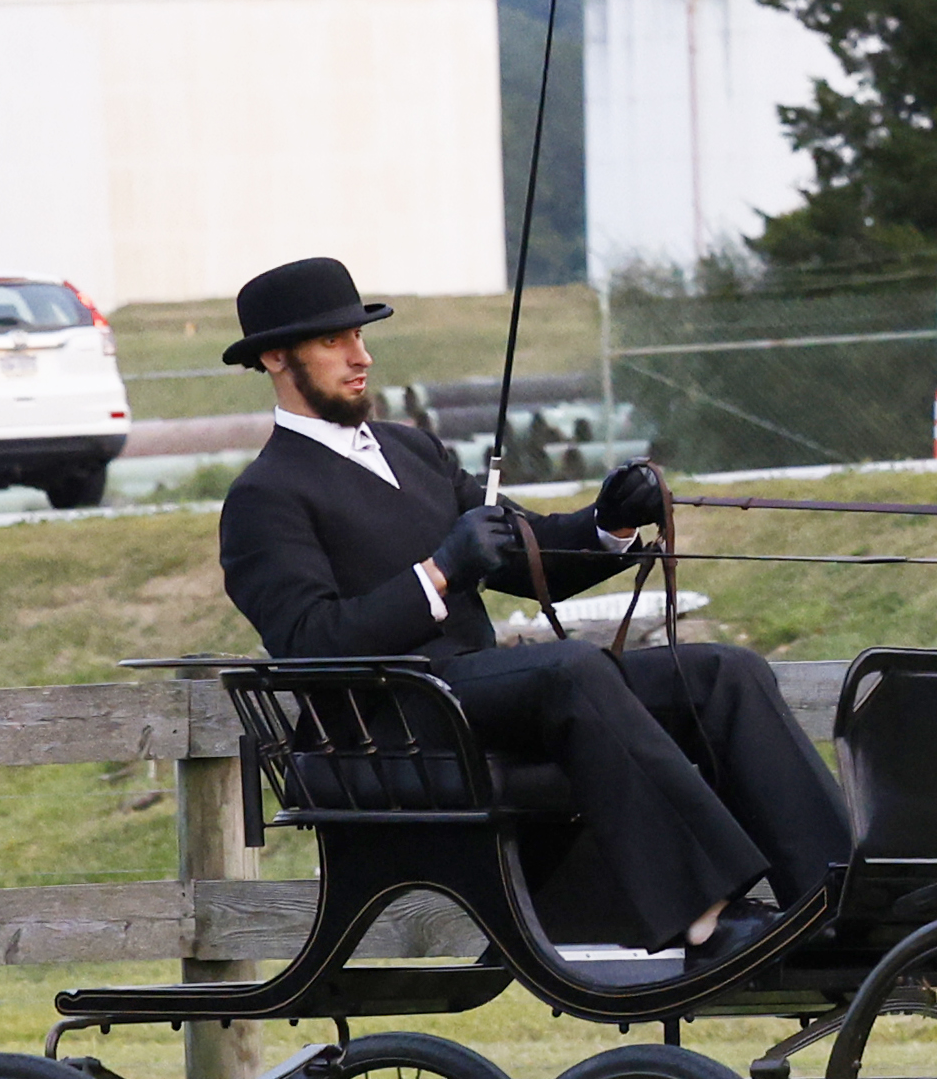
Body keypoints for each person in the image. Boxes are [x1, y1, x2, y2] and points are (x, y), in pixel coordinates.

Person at [210, 255, 847, 967]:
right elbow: (308, 644)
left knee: (723, 671)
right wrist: (439, 571)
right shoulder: (265, 495)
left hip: (480, 690)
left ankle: (831, 896)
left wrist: (607, 521)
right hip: (394, 717)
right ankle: (705, 918)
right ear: (274, 357)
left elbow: (521, 551)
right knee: (571, 669)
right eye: (334, 341)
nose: (361, 356)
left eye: (359, 335)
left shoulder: (412, 450)